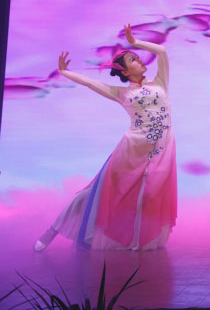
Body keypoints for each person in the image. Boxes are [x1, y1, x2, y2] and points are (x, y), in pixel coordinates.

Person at [34, 24, 177, 251]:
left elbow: (161, 51)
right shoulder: (121, 93)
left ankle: (135, 240)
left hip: (161, 149)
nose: (139, 60)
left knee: (149, 196)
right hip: (131, 151)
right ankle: (52, 230)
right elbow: (90, 82)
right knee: (94, 195)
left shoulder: (160, 83)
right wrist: (65, 73)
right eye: (133, 59)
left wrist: (135, 42)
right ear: (125, 72)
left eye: (137, 57)